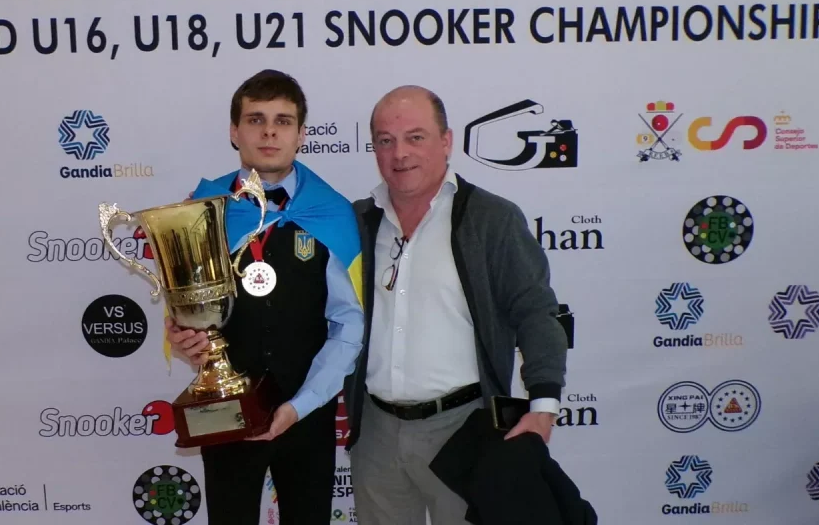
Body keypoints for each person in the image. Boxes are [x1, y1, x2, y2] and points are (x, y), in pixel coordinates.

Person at [342, 85, 569, 525]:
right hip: (376, 436)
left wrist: (544, 407)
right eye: (385, 141)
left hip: (464, 431)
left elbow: (536, 311)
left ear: (447, 141)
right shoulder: (357, 222)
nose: (400, 153)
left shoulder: (492, 219)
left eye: (416, 137)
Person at [164, 69, 364, 525]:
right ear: (235, 132)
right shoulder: (202, 208)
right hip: (225, 409)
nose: (269, 131)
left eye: (283, 120)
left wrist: (304, 402)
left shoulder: (331, 212)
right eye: (255, 119)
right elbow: (187, 309)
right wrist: (183, 338)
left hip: (308, 411)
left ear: (302, 135)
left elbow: (349, 322)